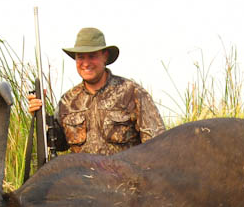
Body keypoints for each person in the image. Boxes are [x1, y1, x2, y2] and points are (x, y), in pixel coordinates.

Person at [27, 27, 165, 155]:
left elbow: (157, 145)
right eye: (81, 57)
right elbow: (58, 144)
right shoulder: (67, 101)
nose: (86, 63)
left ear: (105, 56)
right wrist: (40, 116)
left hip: (124, 173)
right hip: (80, 174)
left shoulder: (131, 92)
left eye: (92, 56)